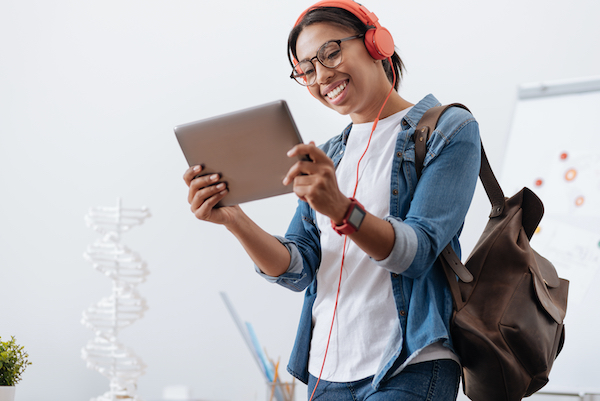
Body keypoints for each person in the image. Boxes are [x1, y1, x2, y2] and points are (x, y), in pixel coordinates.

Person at [183, 1, 481, 399]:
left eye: (331, 52)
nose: (322, 75)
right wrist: (235, 219)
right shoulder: (328, 156)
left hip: (408, 364)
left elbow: (417, 252)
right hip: (326, 371)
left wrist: (340, 208)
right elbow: (299, 267)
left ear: (378, 44)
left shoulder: (449, 129)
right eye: (306, 69)